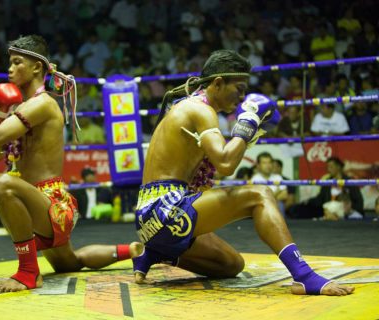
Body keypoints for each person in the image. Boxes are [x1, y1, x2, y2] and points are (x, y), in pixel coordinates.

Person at [132, 49, 353, 296]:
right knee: (260, 195)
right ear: (218, 83)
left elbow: (212, 170)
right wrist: (248, 122)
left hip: (150, 218)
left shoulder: (186, 106)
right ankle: (304, 276)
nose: (243, 96)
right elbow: (226, 164)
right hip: (166, 209)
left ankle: (154, 252)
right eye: (239, 88)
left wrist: (249, 131)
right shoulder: (201, 110)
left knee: (231, 265)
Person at [0, 34, 141, 292]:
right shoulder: (21, 108)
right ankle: (132, 250)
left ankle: (28, 272)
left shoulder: (43, 104)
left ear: (37, 67)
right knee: (71, 262)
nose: (10, 69)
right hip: (40, 207)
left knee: (1, 184)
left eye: (17, 62)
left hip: (50, 204)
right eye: (9, 63)